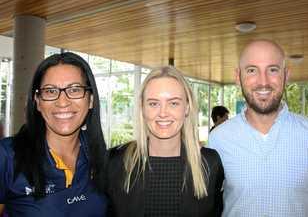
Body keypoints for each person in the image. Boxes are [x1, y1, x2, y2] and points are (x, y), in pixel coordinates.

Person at [208, 39, 308, 217]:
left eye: (273, 70)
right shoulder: (219, 139)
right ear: (238, 77)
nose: (263, 81)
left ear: (286, 75)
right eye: (252, 70)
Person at [105, 66, 224, 217]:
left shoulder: (209, 163)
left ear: (187, 107)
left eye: (173, 103)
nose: (163, 113)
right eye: (153, 103)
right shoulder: (115, 162)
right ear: (142, 107)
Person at [0, 52, 108, 216]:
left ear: (91, 99)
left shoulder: (100, 157)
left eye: (74, 89)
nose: (62, 102)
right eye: (50, 91)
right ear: (37, 101)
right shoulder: (7, 156)